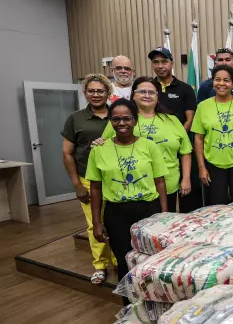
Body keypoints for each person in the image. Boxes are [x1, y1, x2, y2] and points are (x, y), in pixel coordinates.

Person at [86, 98, 168, 302]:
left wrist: (165, 215)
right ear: (110, 122)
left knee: (151, 260)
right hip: (116, 213)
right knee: (124, 263)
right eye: (116, 119)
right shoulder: (98, 150)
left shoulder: (149, 146)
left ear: (135, 120)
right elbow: (95, 188)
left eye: (127, 118)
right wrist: (97, 222)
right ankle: (130, 307)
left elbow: (160, 182)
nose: (121, 123)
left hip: (148, 210)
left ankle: (154, 303)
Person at [99, 77, 192, 213]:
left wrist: (186, 178)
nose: (147, 95)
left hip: (168, 184)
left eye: (151, 92)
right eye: (142, 91)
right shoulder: (122, 120)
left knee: (163, 223)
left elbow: (185, 151)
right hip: (132, 187)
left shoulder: (172, 120)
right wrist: (98, 142)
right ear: (133, 95)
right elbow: (104, 145)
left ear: (158, 96)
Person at [61, 74, 116, 284]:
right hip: (88, 179)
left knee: (116, 222)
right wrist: (77, 184)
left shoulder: (117, 114)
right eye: (91, 91)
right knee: (95, 223)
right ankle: (100, 265)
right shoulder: (76, 119)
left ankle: (117, 260)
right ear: (85, 93)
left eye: (100, 91)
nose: (96, 94)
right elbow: (67, 153)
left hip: (116, 179)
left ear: (108, 93)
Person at [192, 64, 233, 205]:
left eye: (226, 80)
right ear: (212, 83)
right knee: (215, 206)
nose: (221, 83)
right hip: (213, 164)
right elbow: (198, 138)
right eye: (217, 79)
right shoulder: (202, 107)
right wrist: (202, 168)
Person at [148, 46, 202, 212]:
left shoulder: (185, 89)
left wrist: (177, 140)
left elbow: (190, 119)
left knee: (188, 195)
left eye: (164, 61)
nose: (160, 66)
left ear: (172, 63)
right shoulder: (148, 88)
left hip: (181, 148)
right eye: (156, 62)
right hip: (156, 150)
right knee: (161, 198)